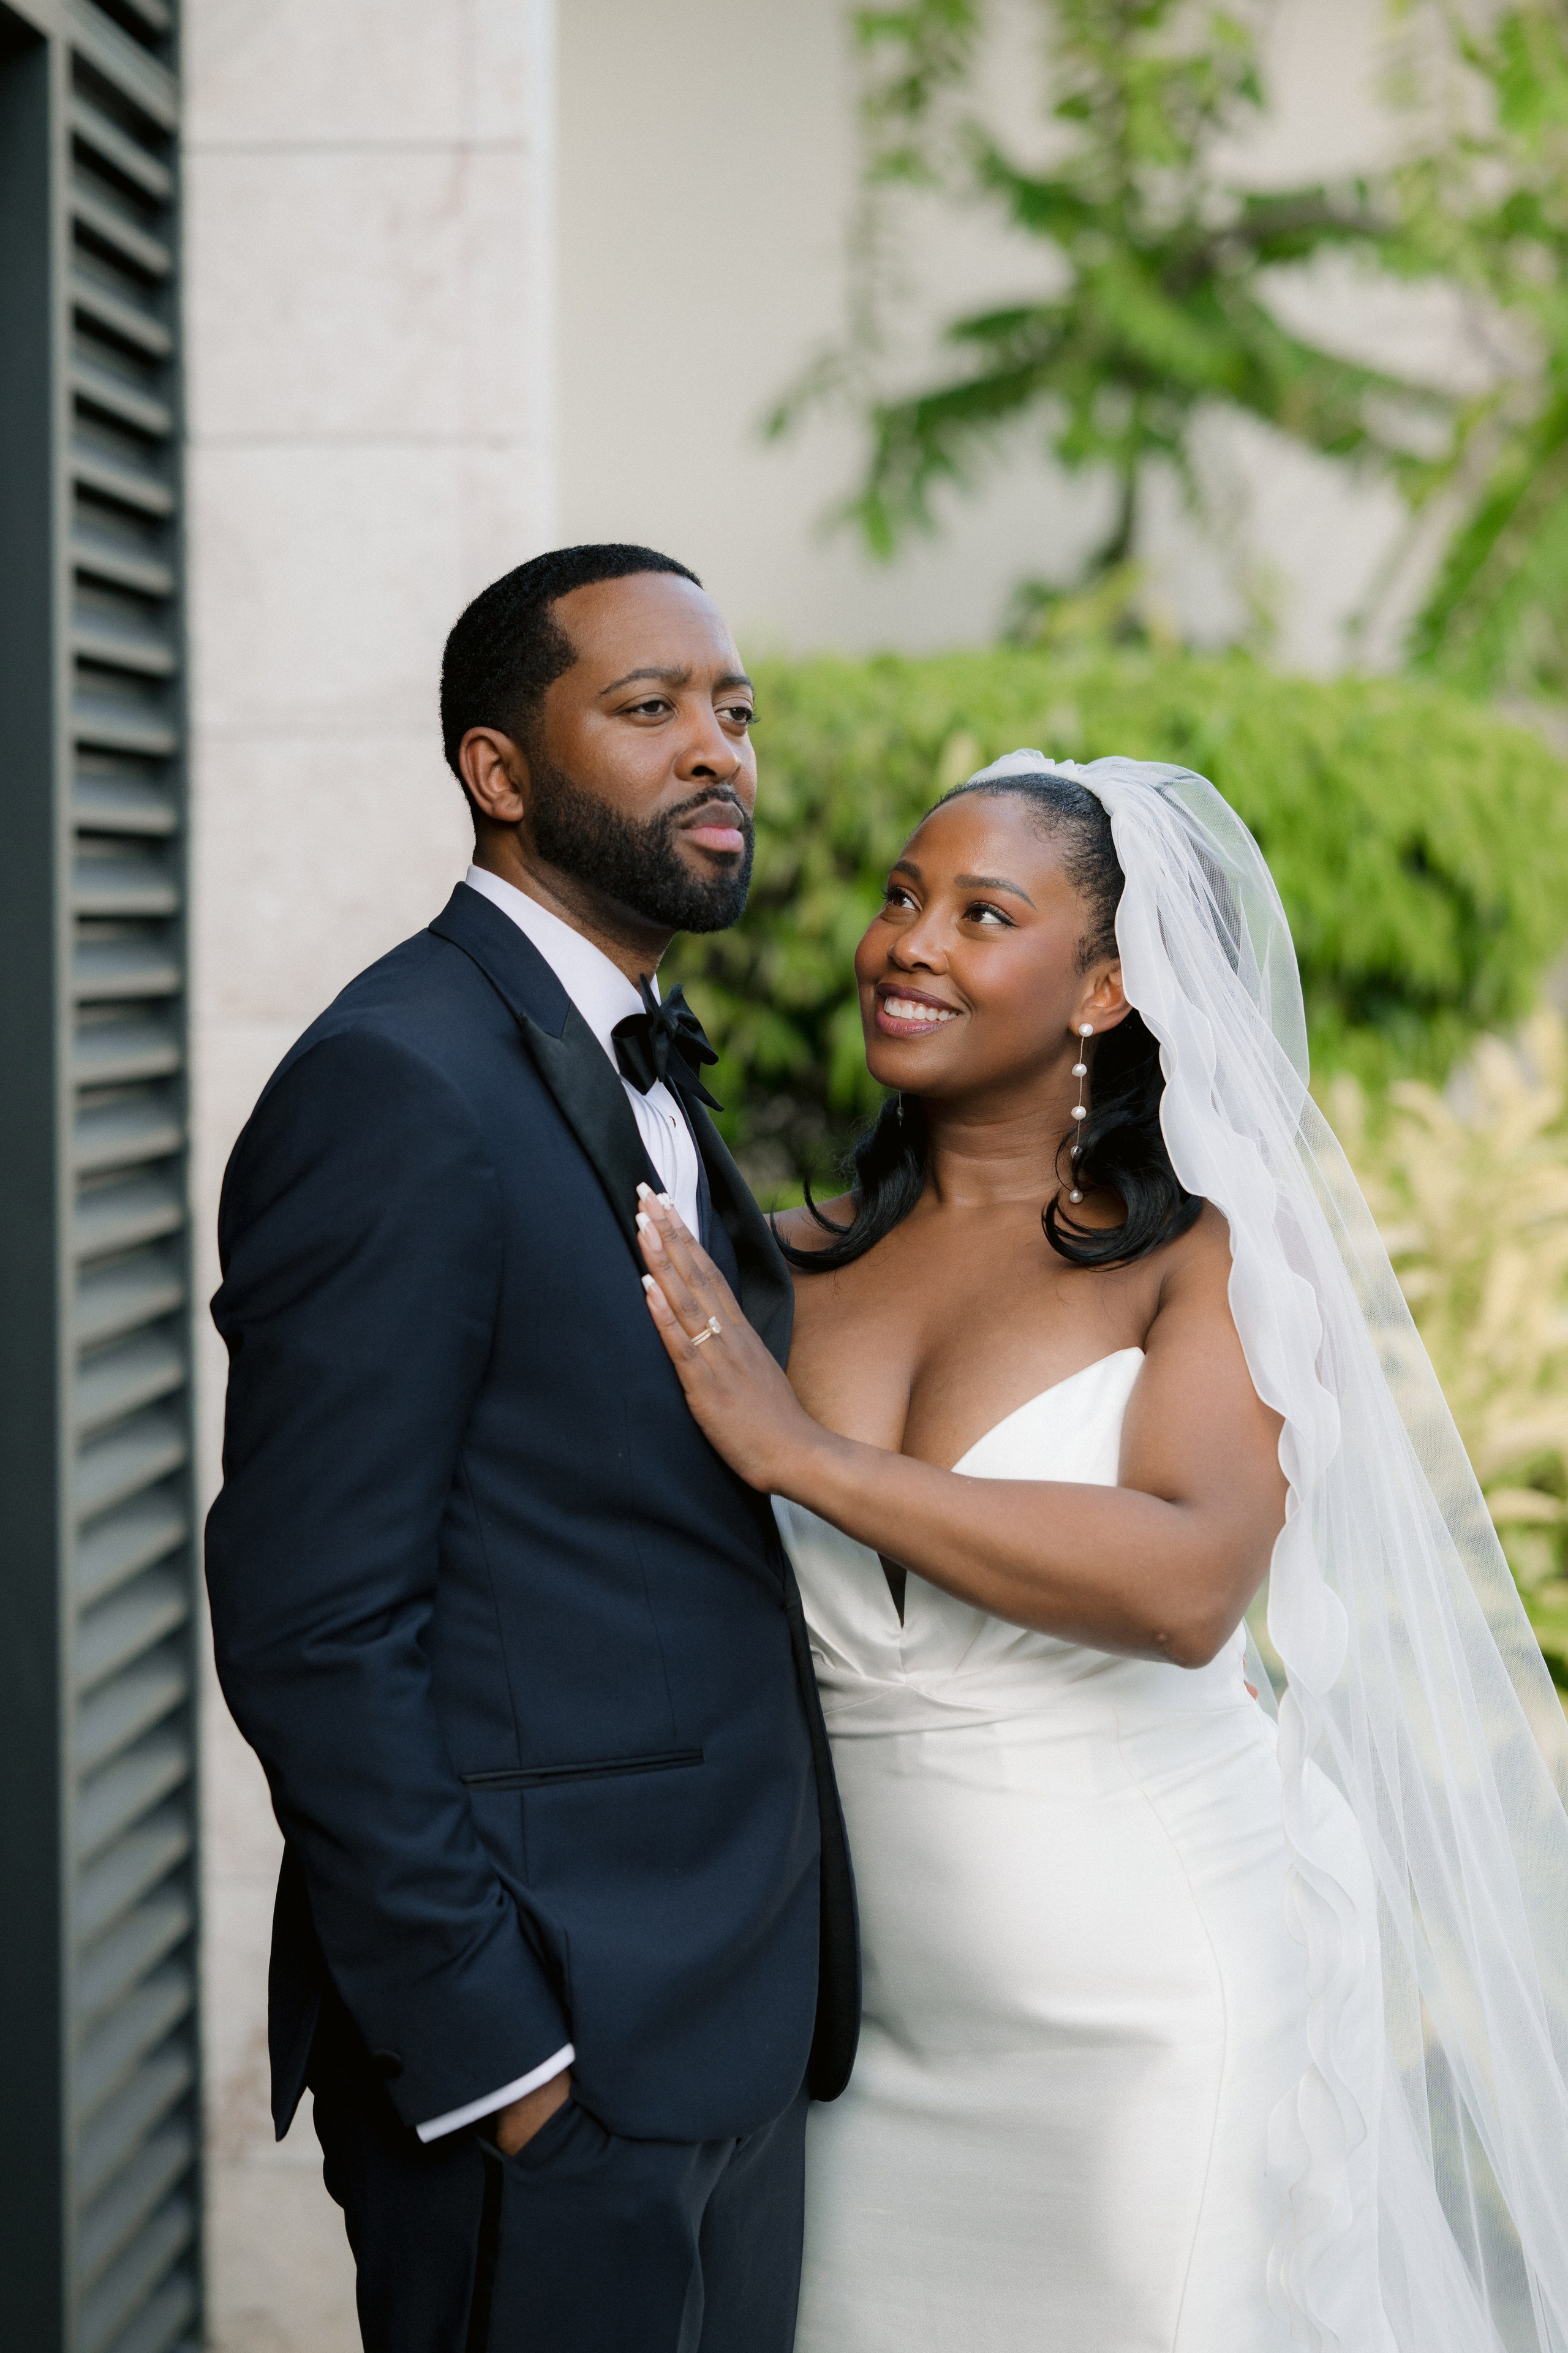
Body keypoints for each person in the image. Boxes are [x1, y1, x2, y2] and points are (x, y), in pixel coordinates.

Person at [635, 751, 1568, 2352]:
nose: (908, 942)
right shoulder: (768, 1268)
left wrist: (807, 1458)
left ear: (1105, 991)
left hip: (1153, 2012)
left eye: (982, 912)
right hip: (859, 2042)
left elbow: (1189, 1580)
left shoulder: (1203, 1259)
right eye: (899, 896)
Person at [204, 544, 858, 2353]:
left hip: (722, 2014)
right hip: (550, 2043)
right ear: (501, 771)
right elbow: (307, 1615)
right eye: (648, 709)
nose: (716, 749)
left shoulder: (622, 1051)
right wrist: (498, 2044)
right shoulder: (399, 1081)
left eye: (732, 709)